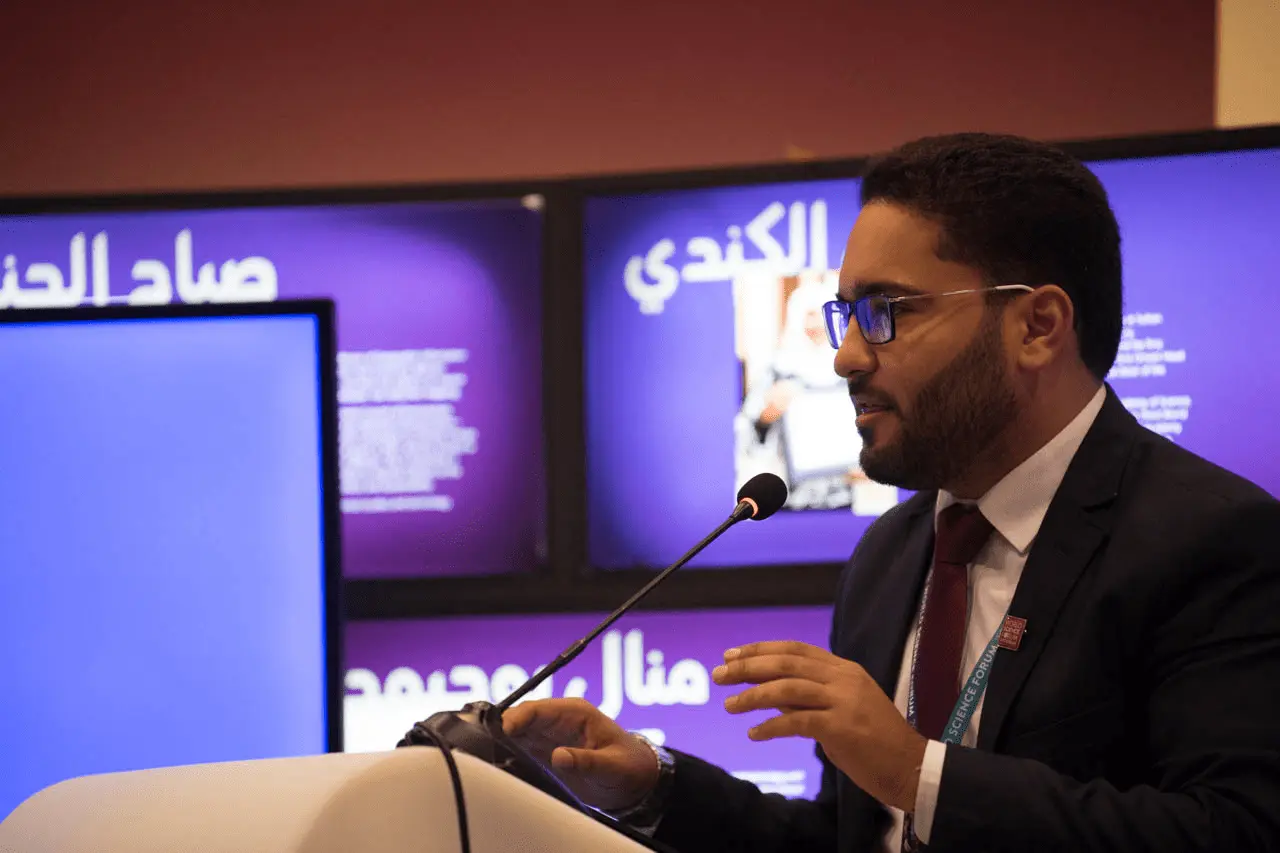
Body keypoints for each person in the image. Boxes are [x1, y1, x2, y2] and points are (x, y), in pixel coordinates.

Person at [504, 133, 1280, 851]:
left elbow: (1238, 830)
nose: (845, 356)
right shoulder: (891, 553)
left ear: (1037, 326)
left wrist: (916, 772)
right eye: (845, 314)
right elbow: (852, 835)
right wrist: (655, 785)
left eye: (886, 313)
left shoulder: (1213, 541)